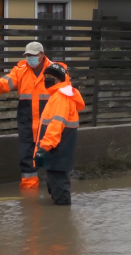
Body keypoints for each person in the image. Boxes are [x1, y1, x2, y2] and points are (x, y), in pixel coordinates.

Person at [0, 42, 66, 189]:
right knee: (27, 156)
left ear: (42, 55)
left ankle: (56, 188)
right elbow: (5, 83)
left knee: (52, 153)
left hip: (50, 120)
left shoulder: (56, 70)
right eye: (28, 55)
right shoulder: (20, 70)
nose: (30, 58)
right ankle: (29, 192)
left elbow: (65, 92)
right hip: (26, 119)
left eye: (33, 55)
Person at [34, 63, 85, 205]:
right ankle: (59, 217)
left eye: (49, 77)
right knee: (55, 182)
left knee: (59, 185)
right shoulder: (59, 95)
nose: (46, 80)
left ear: (58, 79)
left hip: (57, 150)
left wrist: (44, 148)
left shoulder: (60, 97)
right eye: (45, 77)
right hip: (58, 150)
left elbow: (56, 125)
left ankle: (62, 219)